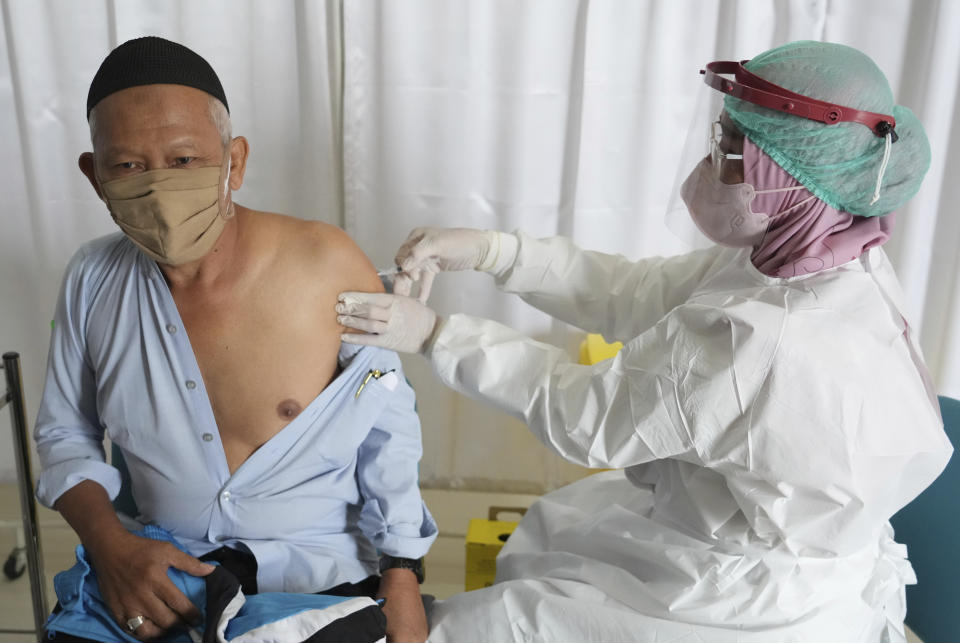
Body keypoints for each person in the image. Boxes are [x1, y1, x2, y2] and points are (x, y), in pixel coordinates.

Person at [337, 41, 953, 642]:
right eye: (721, 139)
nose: (715, 164)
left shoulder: (769, 338)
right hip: (737, 527)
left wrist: (436, 334)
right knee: (550, 535)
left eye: (736, 152)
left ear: (792, 176)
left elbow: (587, 417)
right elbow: (636, 291)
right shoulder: (809, 256)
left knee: (488, 627)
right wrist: (496, 252)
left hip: (744, 598)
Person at [34, 36, 436, 643]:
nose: (160, 189)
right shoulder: (93, 280)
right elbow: (66, 434)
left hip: (315, 578)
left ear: (235, 161)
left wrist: (402, 577)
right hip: (160, 570)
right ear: (94, 176)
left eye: (186, 160)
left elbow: (389, 428)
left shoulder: (324, 263)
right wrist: (113, 548)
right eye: (129, 166)